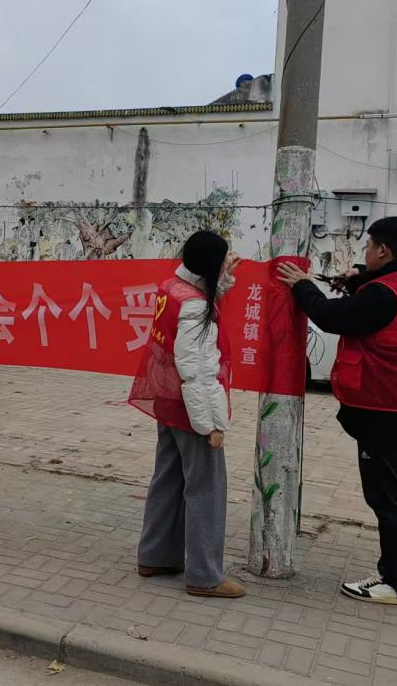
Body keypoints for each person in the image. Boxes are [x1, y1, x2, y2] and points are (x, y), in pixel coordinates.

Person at [277, 216, 397, 606]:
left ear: (383, 250)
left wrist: (302, 285)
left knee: (384, 496)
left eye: (368, 246)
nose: (365, 252)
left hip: (382, 407)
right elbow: (376, 300)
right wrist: (359, 278)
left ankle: (391, 582)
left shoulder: (381, 295)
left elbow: (331, 317)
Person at [129, 230, 244, 599]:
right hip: (191, 407)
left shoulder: (173, 288)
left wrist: (223, 279)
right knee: (207, 489)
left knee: (167, 480)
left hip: (168, 400)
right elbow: (197, 372)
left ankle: (156, 556)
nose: (226, 265)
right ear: (209, 265)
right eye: (222, 260)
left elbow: (200, 303)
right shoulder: (195, 308)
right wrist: (212, 426)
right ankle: (205, 575)